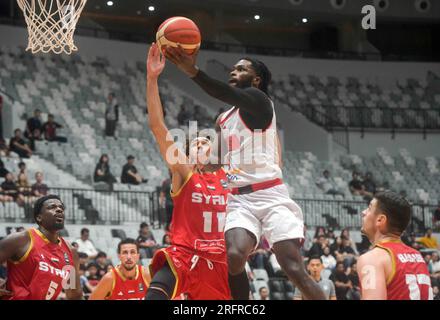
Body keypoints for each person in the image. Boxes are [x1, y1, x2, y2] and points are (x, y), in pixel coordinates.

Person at [164, 42, 325, 300]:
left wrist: (192, 71)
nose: (234, 72)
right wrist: (193, 160)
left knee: (293, 268)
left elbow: (222, 92)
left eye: (241, 69)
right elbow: (216, 159)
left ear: (256, 80)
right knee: (235, 256)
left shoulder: (260, 101)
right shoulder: (224, 118)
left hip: (271, 195)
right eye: (233, 68)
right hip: (240, 199)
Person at [145, 44, 230, 300]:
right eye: (195, 143)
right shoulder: (185, 172)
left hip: (222, 261)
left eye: (206, 141)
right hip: (184, 255)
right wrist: (152, 79)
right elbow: (158, 126)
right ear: (187, 153)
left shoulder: (229, 176)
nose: (202, 144)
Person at [0, 195, 82, 300]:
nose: (59, 210)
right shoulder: (21, 240)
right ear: (39, 217)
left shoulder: (70, 252)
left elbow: (74, 294)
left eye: (61, 208)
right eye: (52, 207)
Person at [357, 191, 433, 300]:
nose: (363, 212)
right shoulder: (418, 257)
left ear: (380, 220)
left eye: (369, 208)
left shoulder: (372, 259)